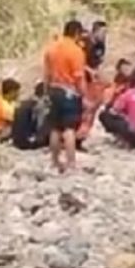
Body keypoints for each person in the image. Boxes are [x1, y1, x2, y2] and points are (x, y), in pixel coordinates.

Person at [43, 20, 88, 171]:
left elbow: (46, 74)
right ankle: (71, 162)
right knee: (69, 129)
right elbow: (79, 78)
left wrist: (46, 91)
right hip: (69, 92)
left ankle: (54, 161)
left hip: (53, 90)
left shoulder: (51, 48)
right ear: (76, 33)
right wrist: (84, 95)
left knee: (55, 128)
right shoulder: (76, 51)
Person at [100, 64, 135, 148]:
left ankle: (122, 139)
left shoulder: (129, 93)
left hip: (131, 130)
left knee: (104, 115)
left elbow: (113, 111)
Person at [11, 83, 50, 151]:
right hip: (27, 143)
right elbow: (39, 126)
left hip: (16, 141)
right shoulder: (39, 105)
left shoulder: (23, 103)